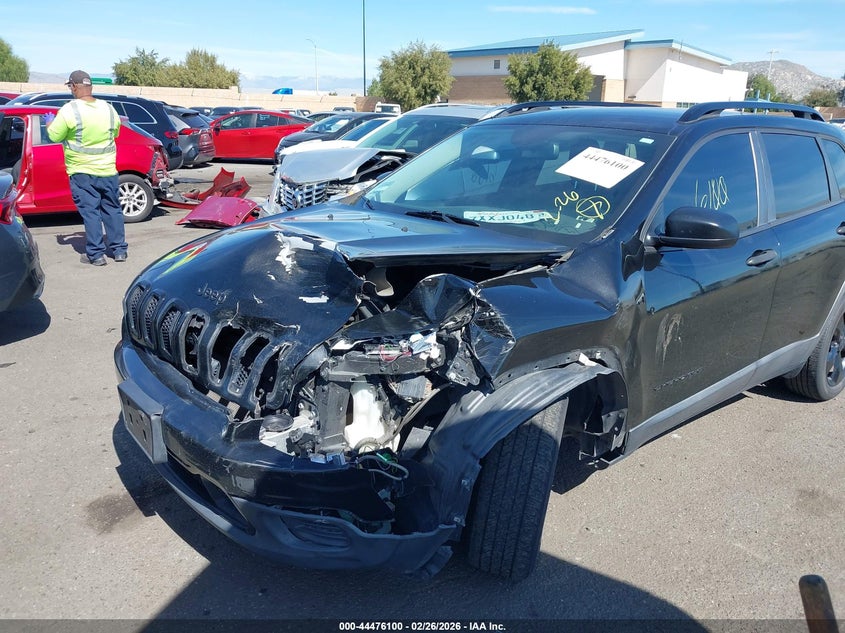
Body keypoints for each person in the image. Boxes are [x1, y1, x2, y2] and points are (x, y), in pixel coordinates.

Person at [47, 70, 127, 266]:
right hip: (107, 170)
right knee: (113, 210)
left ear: (74, 86)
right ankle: (119, 251)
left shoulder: (69, 110)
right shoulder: (108, 108)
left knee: (91, 212)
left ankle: (96, 255)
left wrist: (49, 123)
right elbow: (115, 133)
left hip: (82, 172)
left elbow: (54, 136)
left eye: (70, 86)